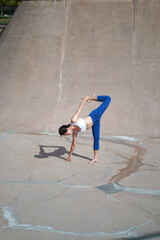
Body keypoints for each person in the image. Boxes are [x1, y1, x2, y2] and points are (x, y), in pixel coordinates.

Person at [59, 95, 111, 163]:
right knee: (96, 139)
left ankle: (89, 97)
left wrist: (85, 99)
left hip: (95, 115)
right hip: (95, 123)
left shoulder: (73, 120)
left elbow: (79, 110)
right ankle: (96, 158)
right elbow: (73, 145)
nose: (67, 135)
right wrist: (70, 156)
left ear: (67, 129)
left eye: (66, 134)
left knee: (108, 98)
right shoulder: (75, 132)